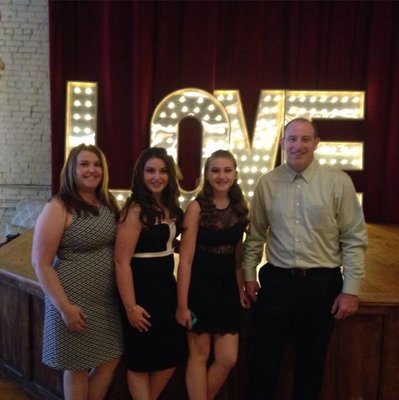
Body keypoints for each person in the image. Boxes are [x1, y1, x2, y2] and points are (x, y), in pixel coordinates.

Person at [243, 117, 368, 400]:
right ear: (282, 143)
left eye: (305, 139)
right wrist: (249, 276)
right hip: (276, 283)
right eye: (292, 139)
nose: (298, 145)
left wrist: (351, 291)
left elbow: (354, 239)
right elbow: (255, 236)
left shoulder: (338, 183)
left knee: (311, 364)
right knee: (263, 361)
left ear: (317, 143)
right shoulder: (267, 183)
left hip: (321, 285)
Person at [32, 144, 124, 400]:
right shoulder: (59, 206)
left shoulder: (107, 202)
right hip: (73, 300)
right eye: (84, 164)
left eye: (96, 165)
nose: (92, 170)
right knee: (77, 367)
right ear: (71, 169)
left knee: (111, 357)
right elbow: (41, 263)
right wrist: (64, 307)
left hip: (106, 302)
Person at [176, 149, 250, 400]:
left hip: (227, 289)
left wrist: (240, 287)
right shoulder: (197, 208)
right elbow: (184, 261)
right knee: (199, 355)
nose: (221, 175)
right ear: (206, 175)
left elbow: (238, 254)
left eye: (227, 170)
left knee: (228, 358)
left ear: (235, 174)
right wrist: (182, 305)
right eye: (215, 170)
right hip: (199, 289)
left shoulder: (240, 207)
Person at [114, 147, 186, 400]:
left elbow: (167, 243)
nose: (157, 176)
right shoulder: (134, 211)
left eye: (163, 171)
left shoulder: (172, 207)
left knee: (172, 355)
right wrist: (131, 307)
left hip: (167, 289)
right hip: (140, 291)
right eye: (150, 171)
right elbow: (121, 262)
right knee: (141, 360)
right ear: (141, 175)